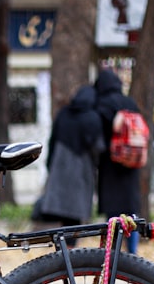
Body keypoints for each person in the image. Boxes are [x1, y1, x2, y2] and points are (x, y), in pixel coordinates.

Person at [31, 85, 104, 229]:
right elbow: (98, 147)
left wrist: (50, 164)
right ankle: (70, 247)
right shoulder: (92, 117)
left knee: (61, 210)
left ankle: (63, 246)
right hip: (81, 169)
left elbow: (53, 140)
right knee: (74, 212)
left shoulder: (64, 113)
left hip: (60, 166)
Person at [94, 68, 142, 253]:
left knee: (112, 214)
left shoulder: (101, 104)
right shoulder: (129, 102)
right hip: (131, 164)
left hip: (110, 164)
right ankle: (133, 251)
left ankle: (113, 253)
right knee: (131, 212)